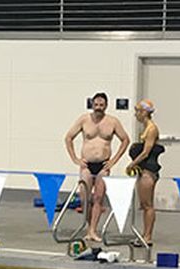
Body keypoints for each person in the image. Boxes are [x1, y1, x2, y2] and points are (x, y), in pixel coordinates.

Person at [64, 92, 130, 246]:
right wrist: (75, 159)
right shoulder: (84, 120)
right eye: (96, 105)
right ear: (92, 105)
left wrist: (114, 160)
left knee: (98, 198)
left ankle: (93, 230)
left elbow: (125, 140)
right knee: (84, 198)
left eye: (101, 105)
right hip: (86, 165)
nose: (99, 107)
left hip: (103, 165)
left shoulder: (113, 122)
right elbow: (68, 137)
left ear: (106, 105)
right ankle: (89, 228)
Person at [126, 99, 164, 246]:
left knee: (148, 205)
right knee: (144, 204)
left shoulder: (151, 129)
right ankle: (144, 234)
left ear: (144, 112)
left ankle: (148, 236)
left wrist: (132, 164)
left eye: (137, 111)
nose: (136, 114)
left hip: (149, 171)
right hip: (144, 171)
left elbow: (146, 152)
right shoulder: (146, 128)